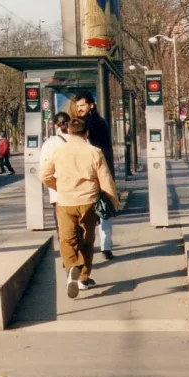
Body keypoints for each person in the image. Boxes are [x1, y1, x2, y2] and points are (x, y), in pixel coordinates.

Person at [41, 118, 119, 298]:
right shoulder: (94, 152)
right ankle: (84, 277)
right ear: (87, 133)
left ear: (68, 132)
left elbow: (44, 175)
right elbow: (105, 180)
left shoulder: (58, 151)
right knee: (87, 238)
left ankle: (71, 268)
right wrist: (113, 201)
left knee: (67, 239)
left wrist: (58, 186)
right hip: (88, 202)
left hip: (65, 201)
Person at [75, 92, 116, 260]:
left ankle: (86, 247)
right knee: (104, 209)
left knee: (88, 211)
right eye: (77, 107)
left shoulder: (86, 125)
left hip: (91, 173)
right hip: (105, 170)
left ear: (92, 105)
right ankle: (106, 246)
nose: (79, 109)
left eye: (82, 106)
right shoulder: (102, 121)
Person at [39, 113, 71, 235]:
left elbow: (44, 171)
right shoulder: (82, 140)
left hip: (58, 191)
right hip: (79, 190)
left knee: (62, 225)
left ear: (56, 125)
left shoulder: (49, 144)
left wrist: (55, 185)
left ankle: (66, 248)